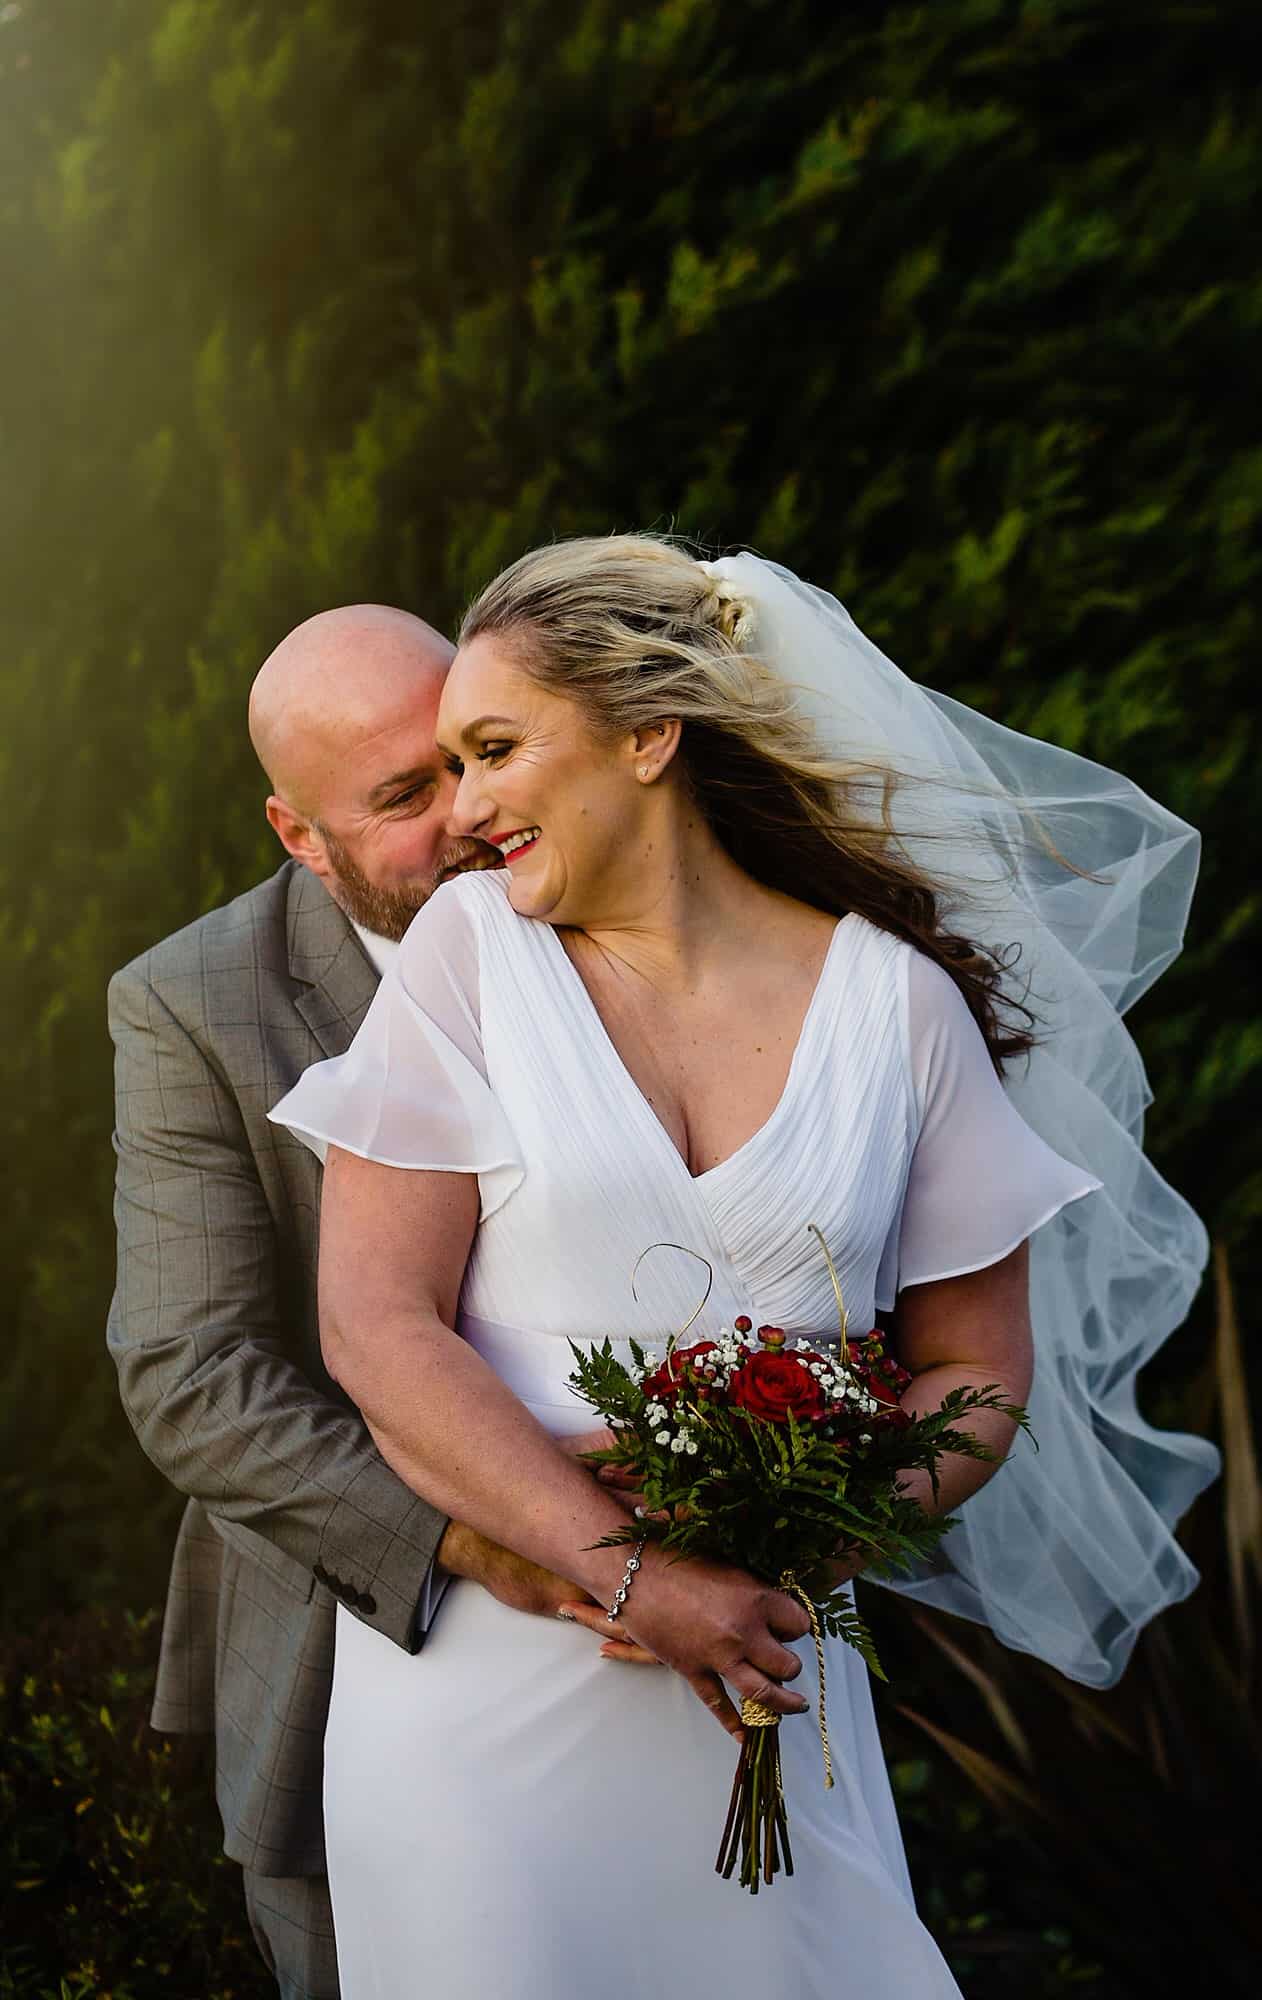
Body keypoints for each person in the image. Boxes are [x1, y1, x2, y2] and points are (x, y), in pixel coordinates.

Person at [270, 536, 1216, 1996]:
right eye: (447, 768)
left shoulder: (895, 1006)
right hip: (487, 1699)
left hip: (771, 1676)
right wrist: (632, 1570)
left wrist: (807, 1534)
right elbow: (376, 1329)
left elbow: (980, 1366)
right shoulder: (470, 957)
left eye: (495, 750)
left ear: (651, 734)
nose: (465, 811)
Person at [107, 603, 641, 2000]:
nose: (468, 813)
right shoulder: (193, 1002)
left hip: (675, 1608)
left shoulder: (621, 908)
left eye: (473, 754)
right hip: (371, 1612)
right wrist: (484, 1531)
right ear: (300, 836)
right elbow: (191, 1375)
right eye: (404, 796)